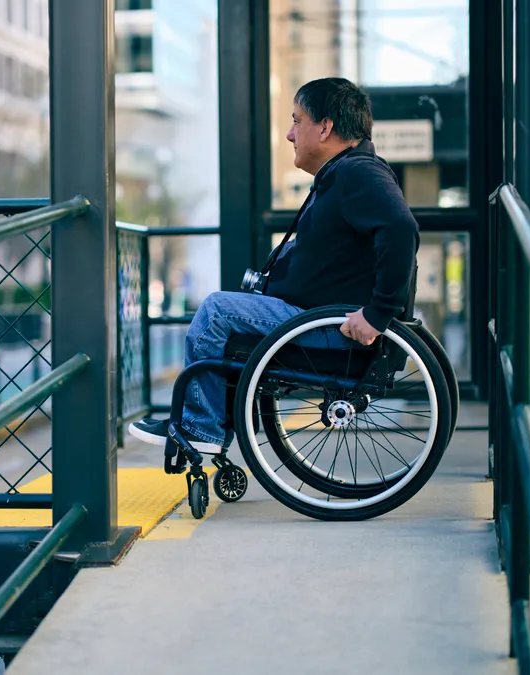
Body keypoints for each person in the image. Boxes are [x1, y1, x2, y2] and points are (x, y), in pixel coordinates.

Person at [128, 77, 420, 455]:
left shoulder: (357, 173)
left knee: (216, 310)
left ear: (326, 127)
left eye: (297, 121)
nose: (288, 134)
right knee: (231, 313)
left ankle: (201, 427)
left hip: (331, 328)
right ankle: (213, 421)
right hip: (321, 318)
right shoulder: (345, 174)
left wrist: (378, 314)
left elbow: (401, 229)